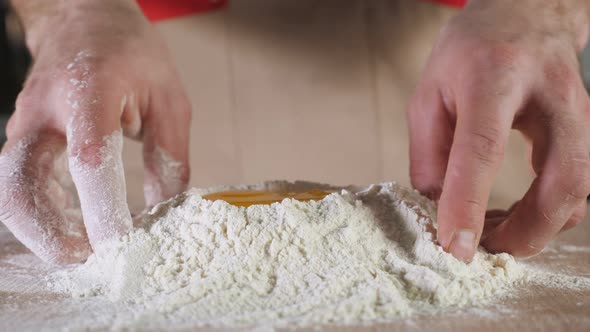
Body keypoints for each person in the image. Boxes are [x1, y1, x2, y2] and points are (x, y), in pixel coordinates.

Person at [1, 0, 589, 264]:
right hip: (153, 79)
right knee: (120, 265)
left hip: (459, 81)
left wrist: (543, 6)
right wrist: (72, 9)